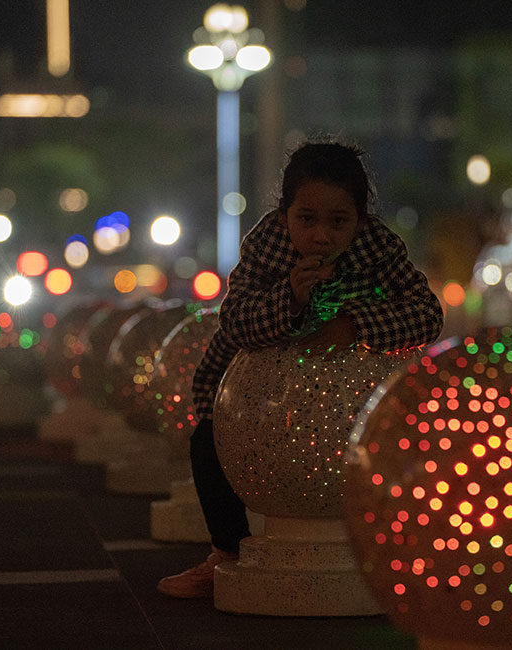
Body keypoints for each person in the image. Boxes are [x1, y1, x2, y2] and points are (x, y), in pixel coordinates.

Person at [157, 137, 444, 598]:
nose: (321, 235)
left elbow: (427, 314)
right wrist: (289, 297)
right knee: (206, 444)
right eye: (305, 219)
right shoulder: (268, 244)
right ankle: (226, 554)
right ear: (285, 213)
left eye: (338, 221)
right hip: (258, 400)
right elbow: (234, 318)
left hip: (350, 406)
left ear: (360, 218)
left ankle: (390, 544)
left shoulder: (379, 247)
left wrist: (356, 323)